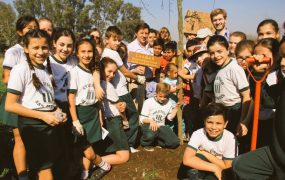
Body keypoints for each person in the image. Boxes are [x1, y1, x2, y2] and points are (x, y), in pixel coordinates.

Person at [5, 29, 67, 179]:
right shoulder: (20, 70)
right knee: (45, 169)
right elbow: (10, 105)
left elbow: (46, 99)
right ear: (26, 48)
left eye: (44, 47)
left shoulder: (46, 70)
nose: (41, 52)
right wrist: (42, 116)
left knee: (45, 166)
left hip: (48, 124)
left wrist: (58, 111)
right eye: (35, 47)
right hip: (33, 126)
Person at [232, 40, 285, 180]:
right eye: (282, 56)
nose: (283, 63)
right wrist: (259, 74)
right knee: (240, 164)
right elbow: (267, 100)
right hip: (277, 152)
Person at [0, 15, 38, 180]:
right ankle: (22, 175)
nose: (33, 30)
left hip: (33, 101)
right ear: (19, 31)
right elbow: (6, 78)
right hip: (18, 101)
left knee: (33, 137)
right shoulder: (14, 51)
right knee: (20, 139)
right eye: (29, 28)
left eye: (35, 27)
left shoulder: (37, 49)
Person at [68, 38, 111, 180]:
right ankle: (103, 164)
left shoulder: (93, 70)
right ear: (77, 54)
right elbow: (72, 98)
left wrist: (99, 115)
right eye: (83, 52)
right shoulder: (74, 72)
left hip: (93, 111)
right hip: (81, 113)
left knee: (88, 144)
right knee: (85, 148)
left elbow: (97, 98)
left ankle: (85, 171)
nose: (86, 55)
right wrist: (75, 120)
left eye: (89, 51)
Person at [101, 26, 145, 153]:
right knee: (133, 116)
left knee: (122, 118)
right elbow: (125, 72)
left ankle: (122, 144)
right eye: (114, 40)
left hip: (115, 91)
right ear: (107, 39)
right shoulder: (113, 53)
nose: (117, 43)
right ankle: (129, 144)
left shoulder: (104, 53)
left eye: (119, 40)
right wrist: (138, 78)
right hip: (121, 91)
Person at [178, 103, 237, 180]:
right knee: (198, 159)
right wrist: (214, 168)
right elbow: (187, 160)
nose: (213, 127)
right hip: (205, 168)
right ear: (204, 121)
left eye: (218, 123)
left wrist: (204, 153)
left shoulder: (230, 138)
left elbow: (227, 166)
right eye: (210, 122)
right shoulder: (198, 134)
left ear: (225, 124)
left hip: (221, 173)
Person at [48, 27, 77, 178]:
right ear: (54, 43)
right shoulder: (48, 62)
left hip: (70, 105)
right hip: (53, 106)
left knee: (68, 139)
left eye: (69, 45)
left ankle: (69, 169)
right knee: (56, 142)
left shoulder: (73, 61)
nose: (65, 49)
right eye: (61, 44)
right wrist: (55, 108)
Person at [207, 35, 251, 136]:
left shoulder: (234, 68)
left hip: (234, 112)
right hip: (222, 110)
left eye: (219, 51)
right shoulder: (219, 67)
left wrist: (242, 121)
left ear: (227, 50)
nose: (216, 56)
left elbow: (246, 95)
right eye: (212, 53)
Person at [99, 57, 130, 164]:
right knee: (124, 156)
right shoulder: (106, 85)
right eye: (109, 71)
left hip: (107, 120)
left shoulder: (99, 84)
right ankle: (95, 162)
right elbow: (119, 106)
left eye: (114, 72)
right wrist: (125, 120)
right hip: (113, 120)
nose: (112, 75)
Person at [140, 82, 180, 151]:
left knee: (175, 142)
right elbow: (142, 118)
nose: (162, 99)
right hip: (148, 125)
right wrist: (151, 121)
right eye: (160, 96)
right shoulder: (148, 102)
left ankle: (156, 142)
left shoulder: (169, 103)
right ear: (156, 93)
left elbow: (169, 117)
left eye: (165, 97)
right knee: (150, 134)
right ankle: (145, 143)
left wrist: (175, 109)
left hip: (161, 126)